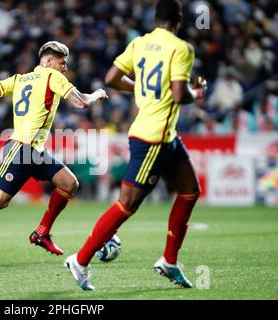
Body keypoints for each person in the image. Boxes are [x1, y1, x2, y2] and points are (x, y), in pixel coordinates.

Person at [64, 0, 208, 291]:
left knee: (190, 191)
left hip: (164, 136)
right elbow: (180, 95)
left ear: (155, 18)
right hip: (152, 137)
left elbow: (111, 78)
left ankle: (169, 261)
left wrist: (140, 85)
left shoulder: (140, 43)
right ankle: (80, 259)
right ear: (179, 19)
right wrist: (198, 91)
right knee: (127, 204)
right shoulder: (181, 49)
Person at [0, 40, 108, 263]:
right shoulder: (53, 76)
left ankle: (41, 232)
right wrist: (97, 93)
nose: (65, 68)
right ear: (48, 61)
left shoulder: (20, 79)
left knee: (69, 184)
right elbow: (80, 103)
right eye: (63, 62)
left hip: (35, 150)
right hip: (21, 148)